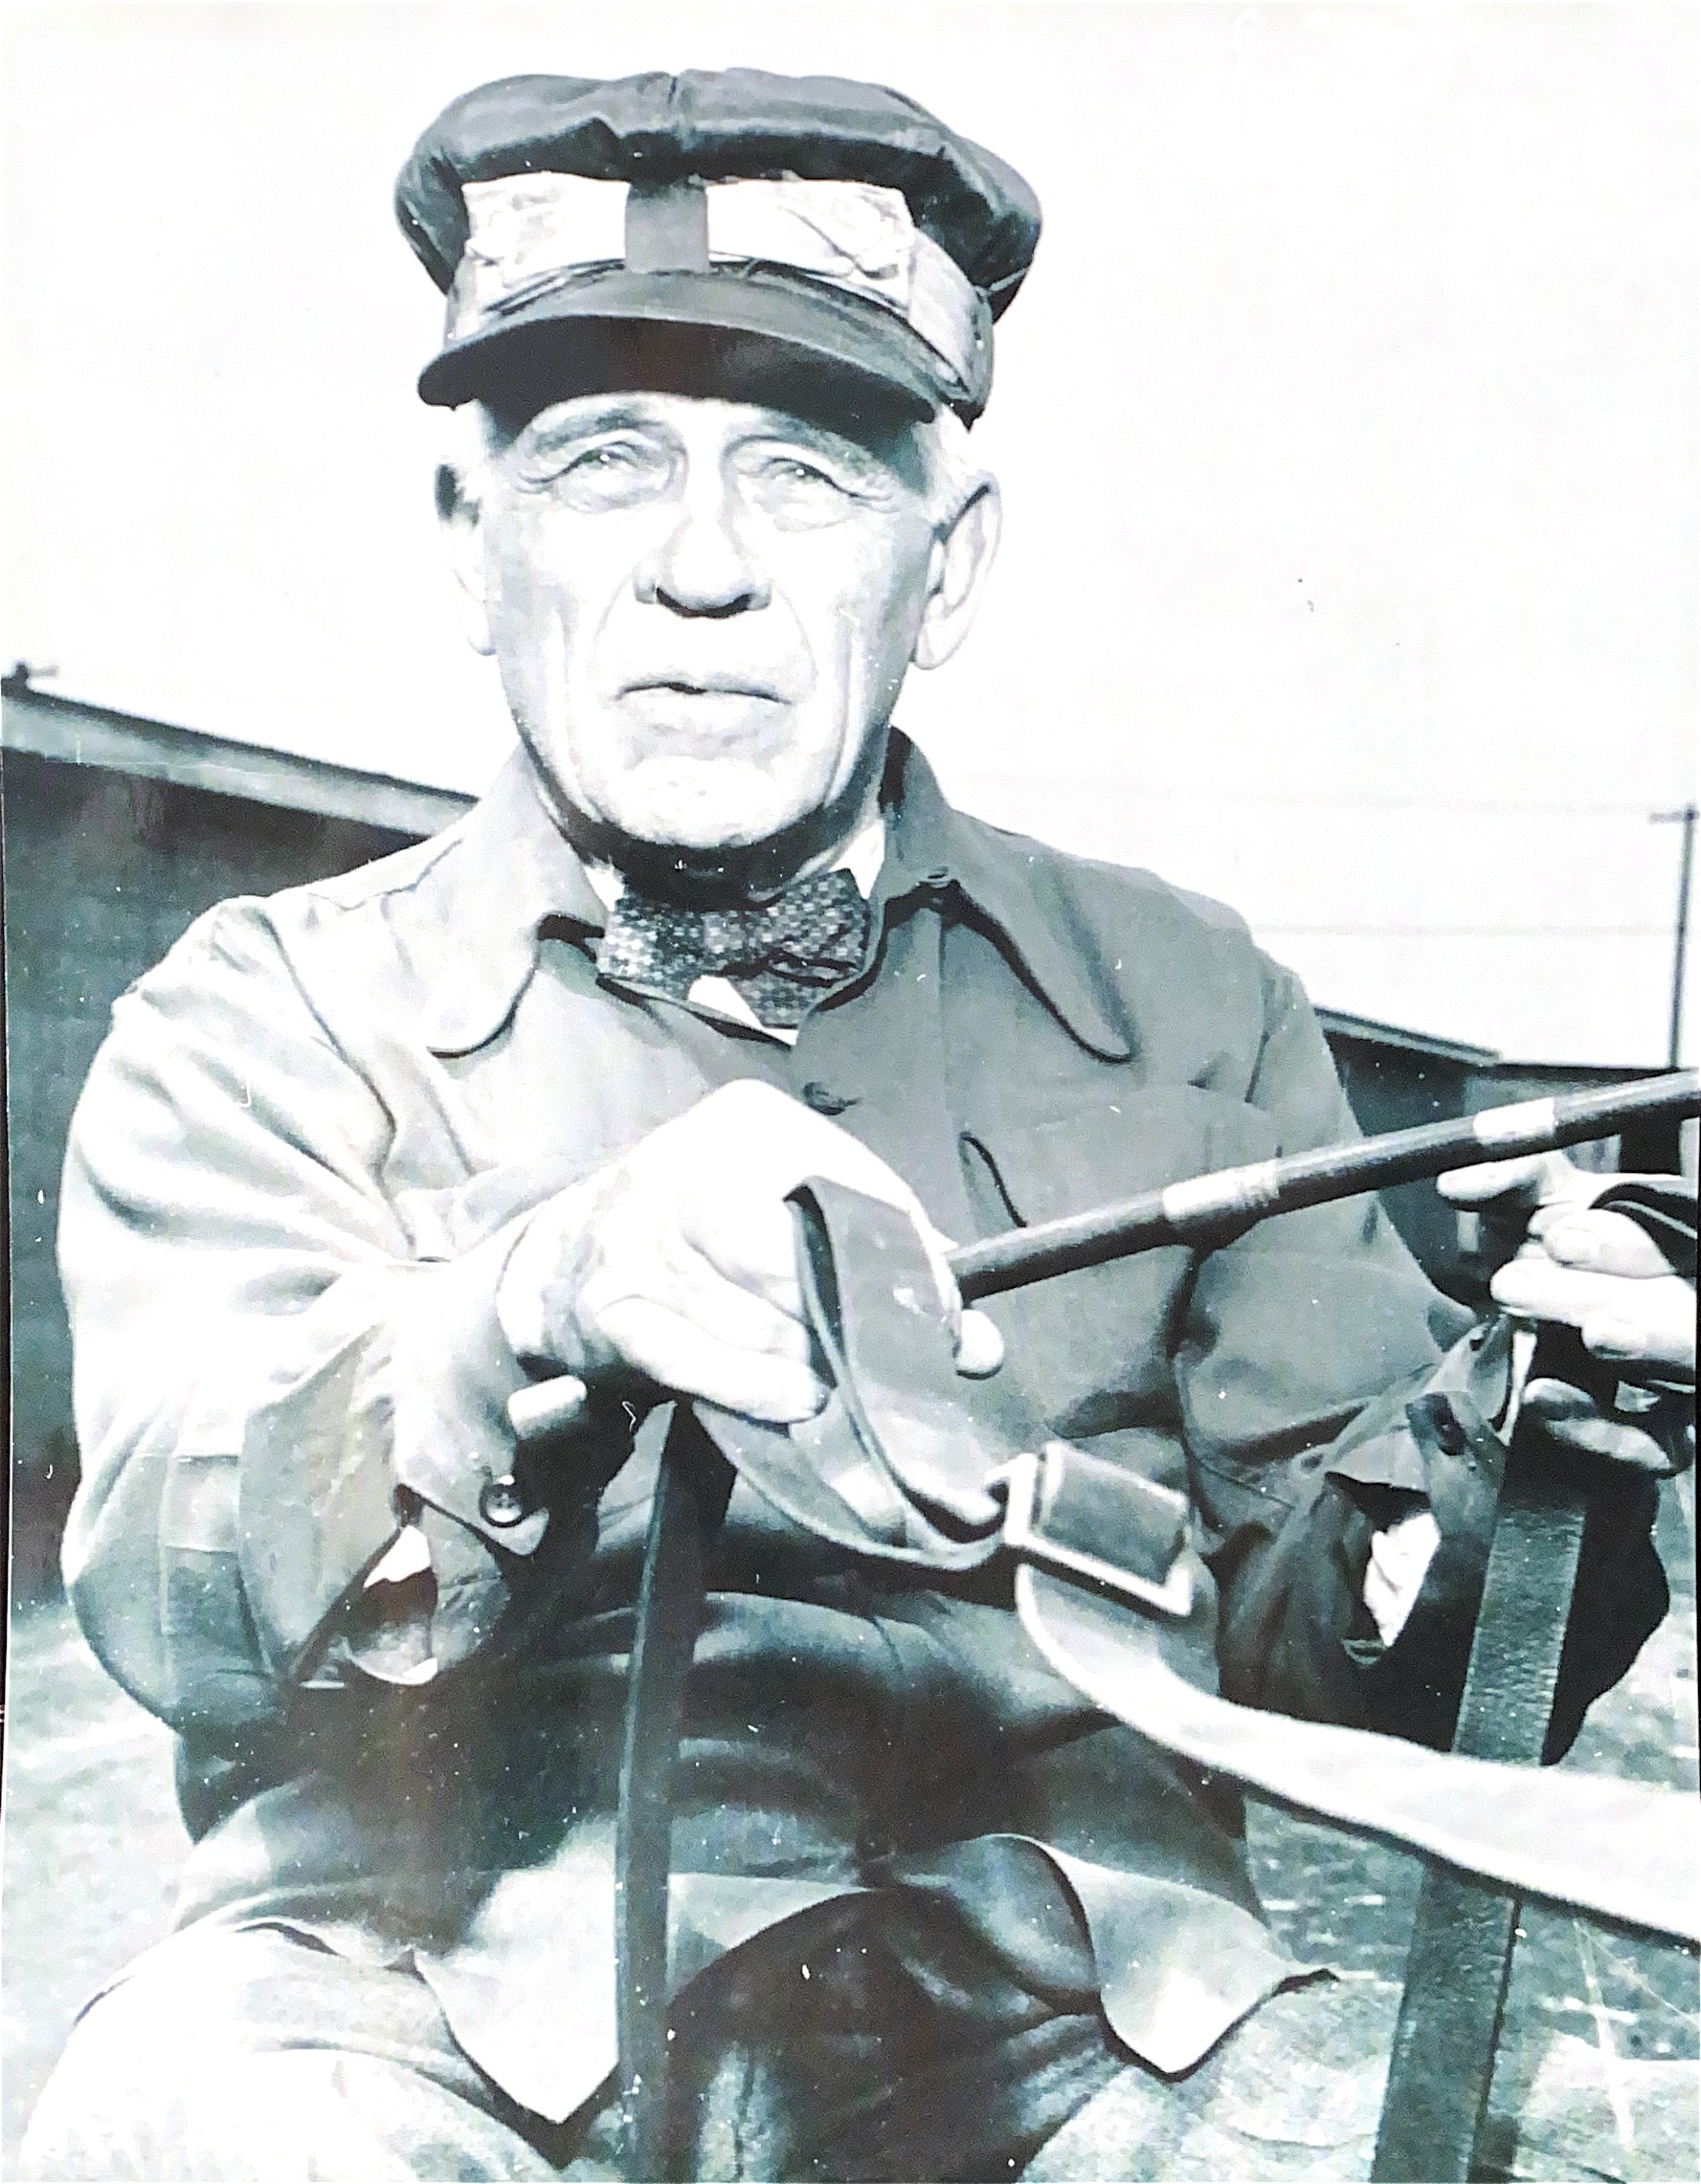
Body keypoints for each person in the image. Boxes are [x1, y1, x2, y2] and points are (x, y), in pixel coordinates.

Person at [22, 68, 1695, 2184]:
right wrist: (533, 1306)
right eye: (605, 466)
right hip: (402, 2003)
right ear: (475, 540)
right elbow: (174, 1598)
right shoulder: (270, 1015)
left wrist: (1541, 1432)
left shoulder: (1185, 1004)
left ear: (951, 563)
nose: (699, 570)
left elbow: (1357, 1666)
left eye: (807, 477)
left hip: (1079, 2024)